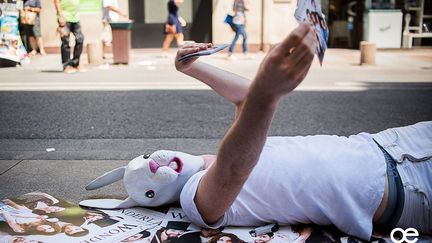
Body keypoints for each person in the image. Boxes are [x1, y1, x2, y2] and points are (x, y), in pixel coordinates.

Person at [171, 23, 431, 241]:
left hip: (390, 143)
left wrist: (190, 67)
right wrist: (267, 94)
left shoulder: (233, 146)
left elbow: (245, 97)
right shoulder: (198, 198)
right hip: (407, 189)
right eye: (148, 184)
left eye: (148, 157)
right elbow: (233, 168)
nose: (156, 165)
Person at [54, 0, 85, 74]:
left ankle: (75, 63)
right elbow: (56, 1)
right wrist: (60, 16)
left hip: (76, 18)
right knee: (65, 41)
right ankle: (66, 65)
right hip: (65, 17)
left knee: (80, 38)